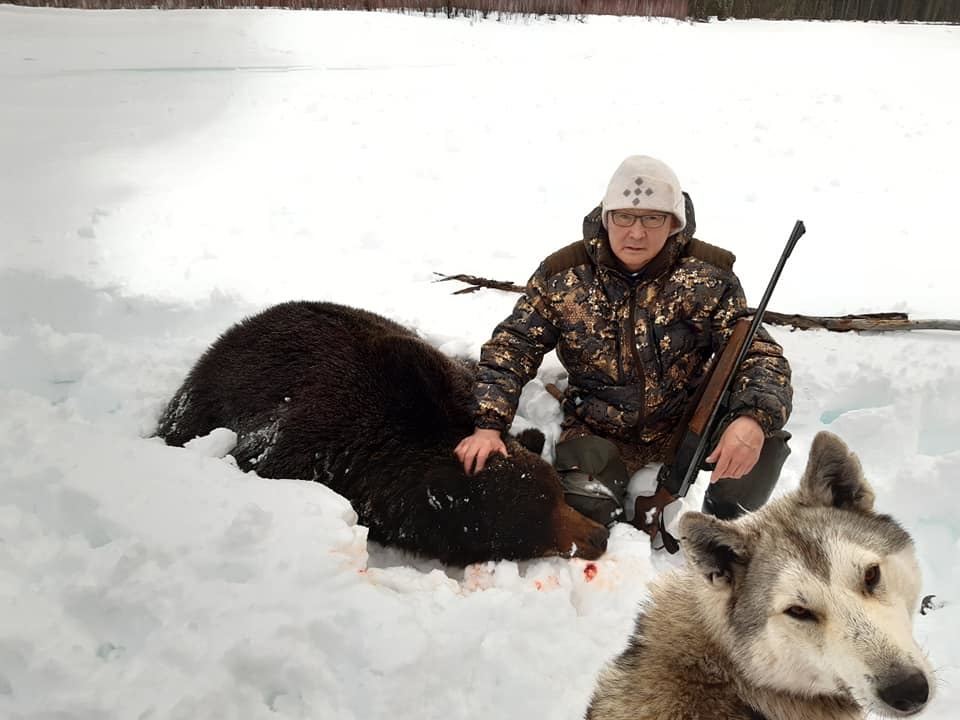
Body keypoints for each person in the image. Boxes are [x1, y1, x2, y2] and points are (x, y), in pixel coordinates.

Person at [454, 155, 792, 530]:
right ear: (605, 216)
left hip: (684, 422)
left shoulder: (709, 277)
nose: (636, 232)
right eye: (624, 217)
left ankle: (722, 524)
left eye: (653, 218)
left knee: (763, 447)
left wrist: (751, 419)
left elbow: (758, 353)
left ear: (674, 223)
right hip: (599, 427)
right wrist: (488, 424)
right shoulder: (563, 275)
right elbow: (512, 346)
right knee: (587, 511)